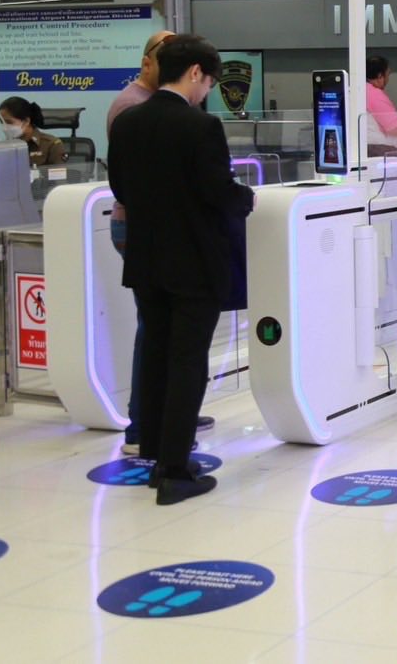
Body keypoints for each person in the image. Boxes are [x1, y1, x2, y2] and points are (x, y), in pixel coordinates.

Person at [108, 35, 254, 505]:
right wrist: (246, 198)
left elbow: (120, 187)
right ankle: (175, 470)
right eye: (208, 82)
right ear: (194, 73)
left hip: (145, 259)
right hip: (193, 262)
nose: (207, 91)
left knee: (155, 353)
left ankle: (153, 452)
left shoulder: (128, 122)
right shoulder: (201, 126)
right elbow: (218, 191)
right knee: (188, 360)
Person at [105, 31, 212, 454]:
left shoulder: (163, 108)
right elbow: (132, 182)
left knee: (163, 330)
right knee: (156, 330)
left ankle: (170, 415)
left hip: (152, 227)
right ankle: (144, 426)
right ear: (148, 61)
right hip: (144, 229)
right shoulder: (132, 107)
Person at [0, 98, 66, 167]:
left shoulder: (52, 145)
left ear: (26, 121)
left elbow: (60, 172)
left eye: (9, 122)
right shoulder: (5, 146)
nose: (4, 127)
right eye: (1, 122)